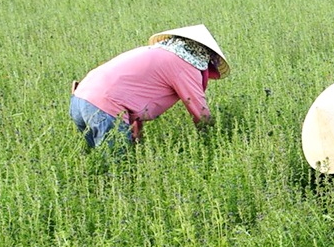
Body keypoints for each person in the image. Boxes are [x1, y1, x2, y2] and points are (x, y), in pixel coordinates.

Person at [69, 25, 229, 153]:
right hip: (105, 110)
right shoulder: (184, 65)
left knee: (100, 163)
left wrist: (136, 136)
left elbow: (132, 96)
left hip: (79, 100)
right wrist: (215, 140)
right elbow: (199, 109)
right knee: (116, 172)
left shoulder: (154, 52)